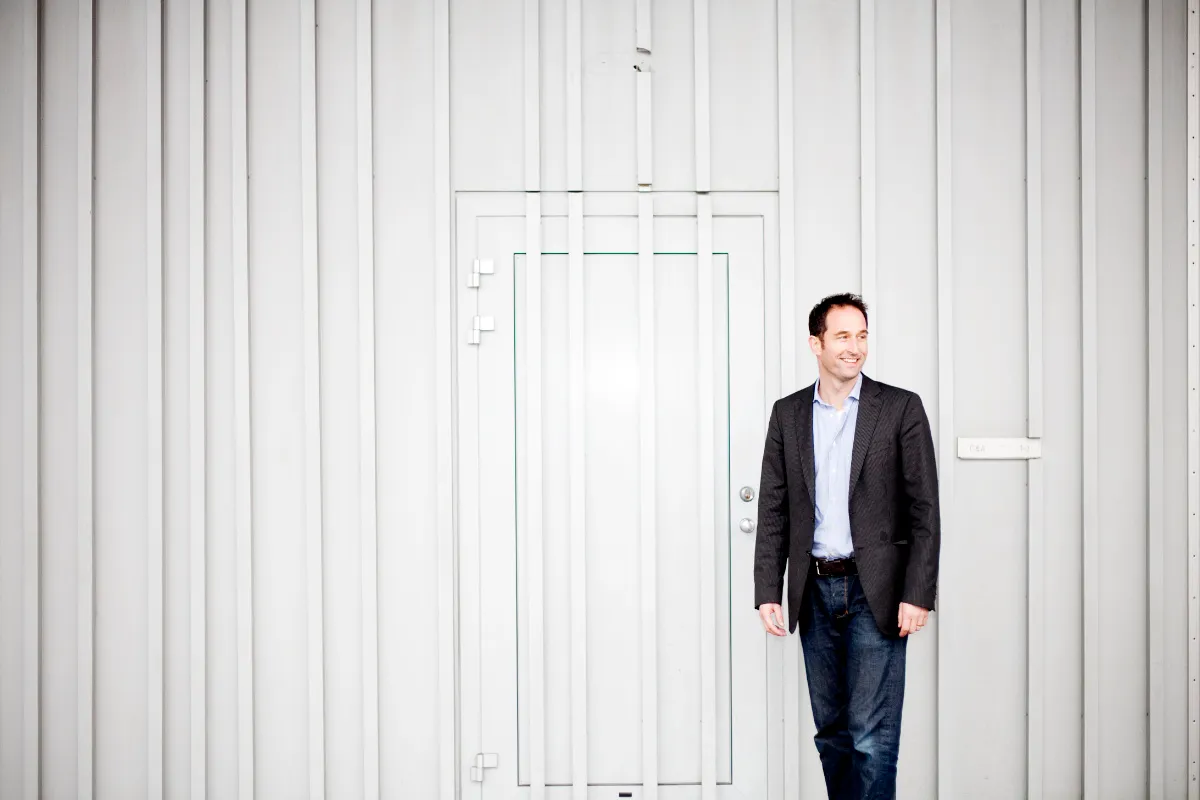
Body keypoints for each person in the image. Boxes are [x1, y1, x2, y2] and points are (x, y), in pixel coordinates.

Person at [752, 293, 940, 800]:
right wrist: (768, 590)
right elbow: (774, 506)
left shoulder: (900, 408)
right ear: (816, 343)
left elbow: (925, 508)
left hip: (874, 591)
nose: (855, 348)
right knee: (832, 735)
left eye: (861, 336)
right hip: (813, 593)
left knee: (871, 739)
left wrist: (918, 592)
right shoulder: (788, 415)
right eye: (842, 336)